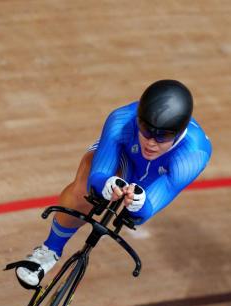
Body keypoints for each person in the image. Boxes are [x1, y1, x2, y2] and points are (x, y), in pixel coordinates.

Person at [15, 79, 212, 288]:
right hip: (123, 158)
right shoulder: (122, 119)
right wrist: (104, 182)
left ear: (179, 133)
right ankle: (49, 251)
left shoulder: (194, 154)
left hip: (154, 181)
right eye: (146, 130)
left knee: (133, 211)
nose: (151, 142)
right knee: (85, 182)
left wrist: (139, 204)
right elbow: (99, 172)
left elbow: (152, 205)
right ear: (139, 119)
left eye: (162, 137)